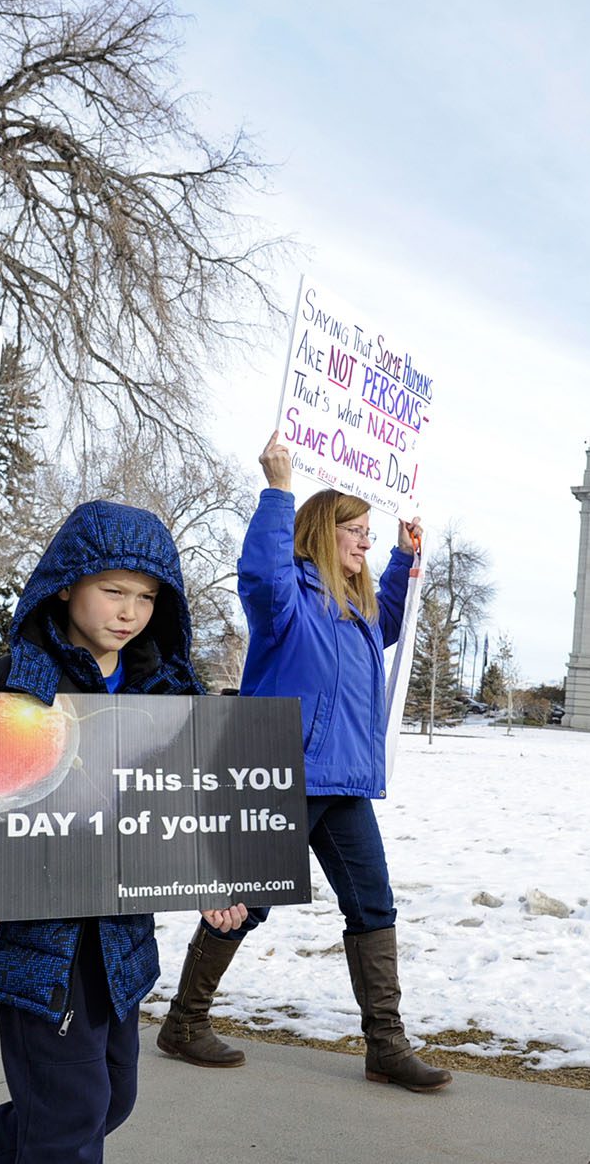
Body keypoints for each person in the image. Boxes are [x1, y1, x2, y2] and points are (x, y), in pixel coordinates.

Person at [0, 500, 247, 1164]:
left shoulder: (169, 694)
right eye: (113, 590)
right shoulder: (13, 685)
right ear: (67, 584)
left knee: (109, 1101)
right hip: (37, 939)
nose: (130, 611)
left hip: (118, 938)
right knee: (70, 1116)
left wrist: (220, 878)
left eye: (148, 597)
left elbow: (189, 802)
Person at [154, 432, 451, 1093]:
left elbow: (392, 619)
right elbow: (259, 574)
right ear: (324, 529)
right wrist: (278, 491)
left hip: (345, 781)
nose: (364, 544)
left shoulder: (358, 608)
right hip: (283, 772)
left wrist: (406, 557)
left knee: (373, 904)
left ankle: (386, 1046)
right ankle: (184, 1021)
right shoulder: (288, 598)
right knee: (247, 904)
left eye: (370, 535)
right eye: (357, 531)